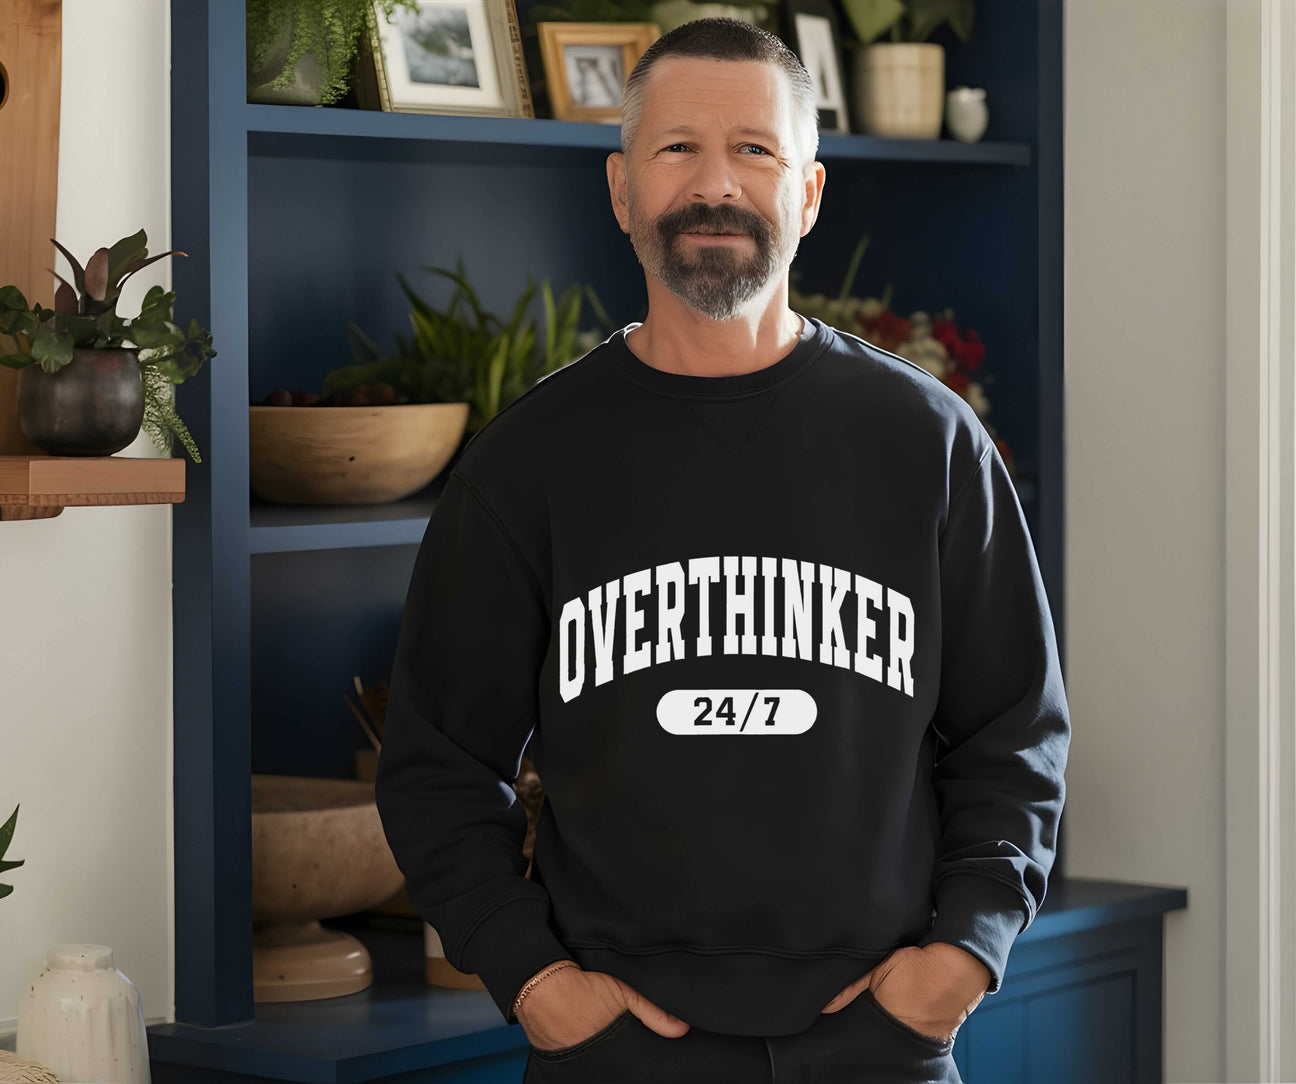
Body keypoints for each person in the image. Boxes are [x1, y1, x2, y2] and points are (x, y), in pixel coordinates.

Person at [373, 17, 1070, 1083]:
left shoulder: (924, 440)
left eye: (754, 149)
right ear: (619, 189)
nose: (715, 185)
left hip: (879, 1045)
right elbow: (436, 766)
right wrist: (536, 985)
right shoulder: (527, 461)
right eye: (676, 149)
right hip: (613, 1054)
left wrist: (960, 960)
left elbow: (1013, 735)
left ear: (808, 193)